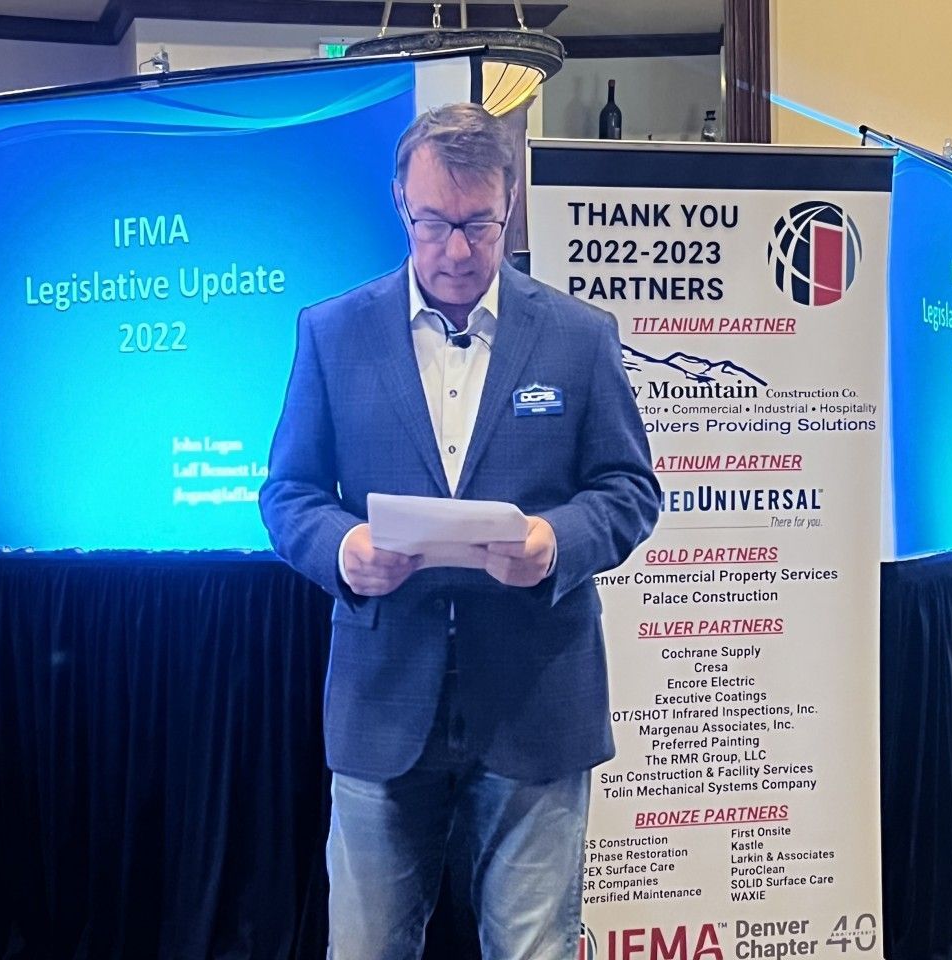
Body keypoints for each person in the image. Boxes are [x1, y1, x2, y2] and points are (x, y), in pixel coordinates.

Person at [259, 102, 660, 960]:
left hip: (536, 701)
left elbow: (629, 490)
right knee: (365, 948)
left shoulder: (579, 339)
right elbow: (288, 493)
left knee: (533, 948)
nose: (454, 250)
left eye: (478, 224)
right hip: (381, 699)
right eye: (433, 223)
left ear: (509, 205)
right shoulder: (332, 334)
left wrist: (554, 545)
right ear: (401, 203)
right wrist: (341, 549)